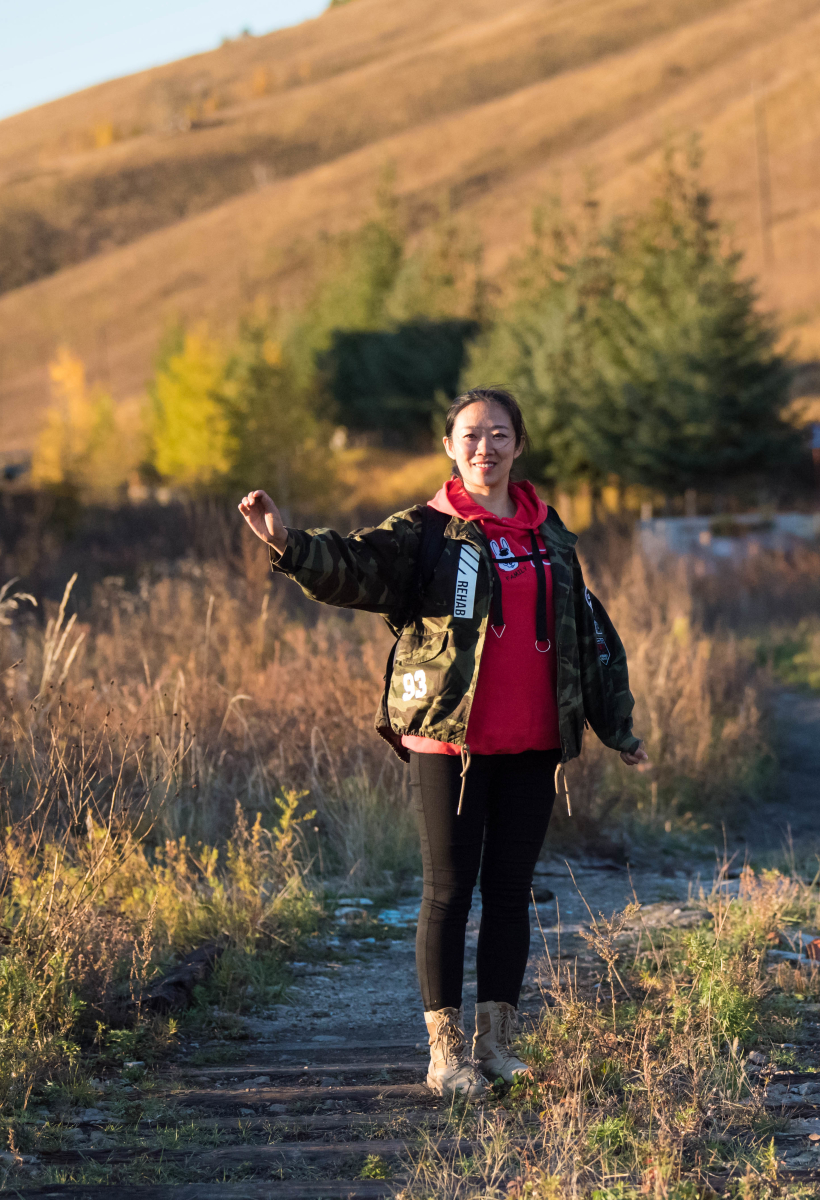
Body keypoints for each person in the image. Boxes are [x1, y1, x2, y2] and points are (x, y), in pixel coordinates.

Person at [237, 387, 650, 1097]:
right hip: (448, 744)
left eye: (498, 435)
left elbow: (588, 634)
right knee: (449, 894)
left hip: (532, 743)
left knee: (512, 893)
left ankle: (494, 1047)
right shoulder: (426, 531)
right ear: (450, 447)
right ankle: (444, 1054)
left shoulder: (548, 534)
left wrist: (617, 729)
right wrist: (288, 545)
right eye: (470, 436)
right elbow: (355, 567)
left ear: (519, 444)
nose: (484, 448)